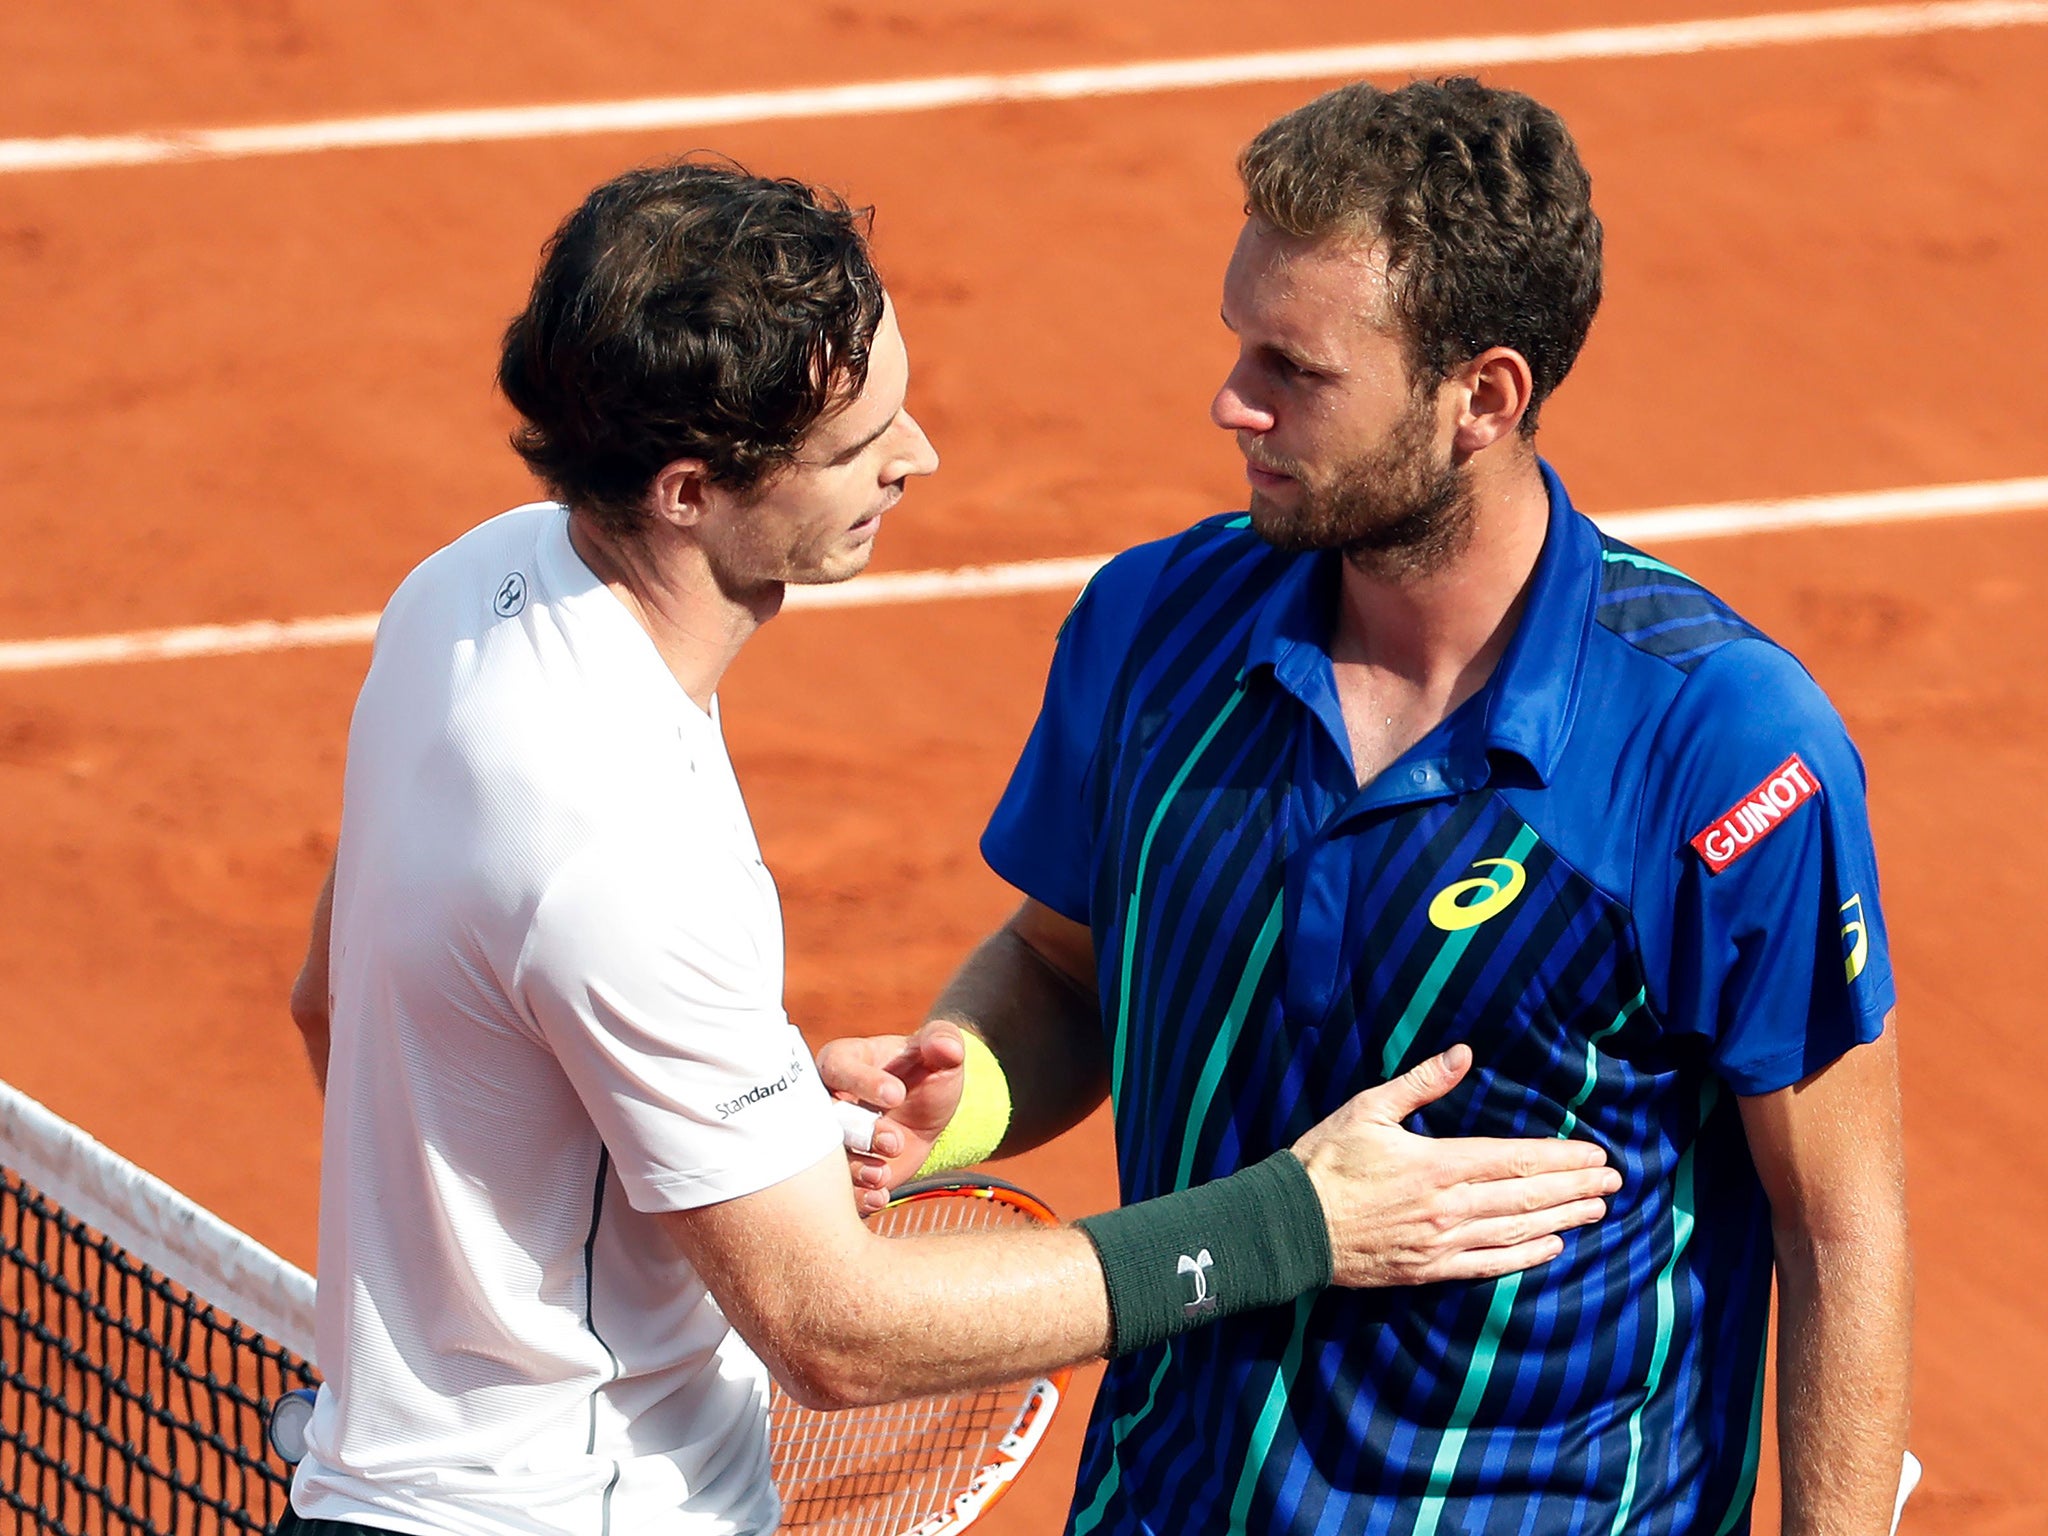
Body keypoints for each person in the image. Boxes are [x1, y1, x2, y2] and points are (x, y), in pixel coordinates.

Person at [280, 159, 1625, 1536]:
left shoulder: (466, 595)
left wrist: (706, 1115)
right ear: (691, 492)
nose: (917, 456)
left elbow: (343, 1004)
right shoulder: (617, 844)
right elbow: (835, 1332)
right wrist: (1300, 1223)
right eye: (859, 446)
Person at [822, 79, 1912, 1535]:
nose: (1234, 402)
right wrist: (972, 1093)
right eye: (1238, 342)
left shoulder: (1721, 749)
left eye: (1296, 367)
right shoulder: (1153, 629)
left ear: (1484, 396)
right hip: (1171, 1502)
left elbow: (1837, 1224)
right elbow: (1062, 965)